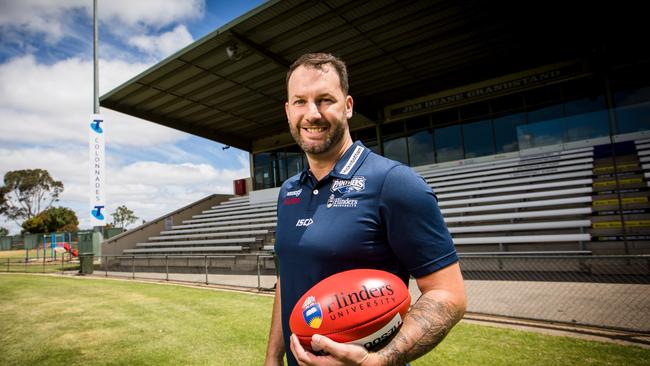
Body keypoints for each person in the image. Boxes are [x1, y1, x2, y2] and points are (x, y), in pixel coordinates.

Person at [264, 53, 466, 366]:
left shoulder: (395, 182)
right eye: (300, 101)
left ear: (348, 106)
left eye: (325, 100)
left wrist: (379, 360)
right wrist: (273, 357)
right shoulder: (289, 191)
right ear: (288, 111)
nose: (312, 113)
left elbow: (449, 296)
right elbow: (287, 280)